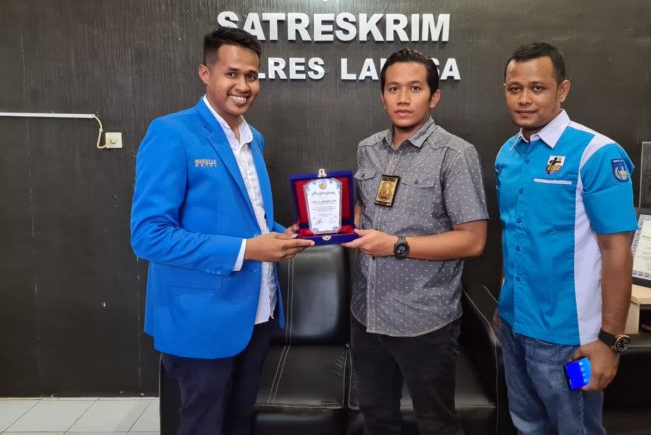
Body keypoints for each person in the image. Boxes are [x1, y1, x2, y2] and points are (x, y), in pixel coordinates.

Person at [130, 27, 314, 435]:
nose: (243, 86)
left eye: (251, 76)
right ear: (205, 73)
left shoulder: (253, 138)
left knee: (238, 422)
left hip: (257, 312)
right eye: (232, 74)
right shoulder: (172, 133)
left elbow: (248, 218)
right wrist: (248, 249)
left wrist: (283, 233)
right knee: (202, 426)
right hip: (200, 319)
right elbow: (148, 235)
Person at [343, 48, 488, 435]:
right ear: (382, 96)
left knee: (436, 424)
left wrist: (396, 245)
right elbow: (364, 209)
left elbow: (472, 240)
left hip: (425, 320)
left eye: (415, 88)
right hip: (367, 314)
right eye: (393, 88)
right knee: (377, 419)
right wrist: (333, 226)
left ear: (433, 96)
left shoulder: (455, 155)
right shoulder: (368, 148)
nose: (403, 98)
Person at [495, 42, 636, 434]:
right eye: (515, 89)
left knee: (577, 427)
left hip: (573, 343)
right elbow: (514, 234)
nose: (524, 99)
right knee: (527, 425)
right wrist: (505, 303)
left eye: (537, 88)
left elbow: (618, 252)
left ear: (562, 90)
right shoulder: (508, 154)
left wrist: (611, 342)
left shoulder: (597, 154)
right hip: (515, 328)